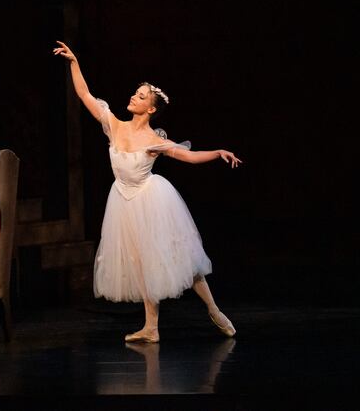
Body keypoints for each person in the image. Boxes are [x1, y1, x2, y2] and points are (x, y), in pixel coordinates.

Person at [53, 41, 241, 343]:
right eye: (135, 93)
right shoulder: (113, 124)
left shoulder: (155, 140)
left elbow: (189, 156)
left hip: (150, 199)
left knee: (179, 258)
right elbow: (84, 94)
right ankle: (151, 326)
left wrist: (217, 152)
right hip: (123, 201)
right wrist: (74, 61)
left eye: (140, 96)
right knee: (141, 263)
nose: (133, 96)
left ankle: (213, 309)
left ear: (150, 109)